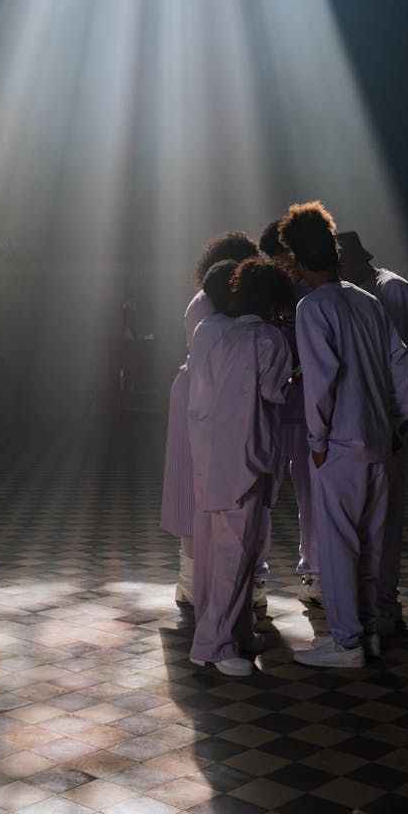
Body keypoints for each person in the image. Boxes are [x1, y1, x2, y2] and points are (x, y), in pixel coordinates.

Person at [279, 202, 408, 667]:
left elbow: (321, 380)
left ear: (297, 258)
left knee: (338, 544)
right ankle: (369, 625)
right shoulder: (368, 300)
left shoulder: (312, 306)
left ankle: (346, 642)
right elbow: (399, 364)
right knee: (373, 539)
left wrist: (317, 443)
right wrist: (398, 422)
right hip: (380, 439)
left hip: (339, 444)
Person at [188, 257, 294, 676]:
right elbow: (273, 391)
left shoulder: (221, 336)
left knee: (225, 552)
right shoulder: (271, 339)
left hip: (217, 454)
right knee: (237, 555)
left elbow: (206, 395)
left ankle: (236, 633)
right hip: (248, 456)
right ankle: (212, 645)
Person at [160, 232, 258, 605]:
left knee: (202, 485)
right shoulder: (207, 305)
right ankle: (191, 577)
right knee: (193, 484)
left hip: (202, 390)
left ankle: (194, 577)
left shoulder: (213, 301)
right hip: (200, 394)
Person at [337, 230, 408, 634]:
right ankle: (367, 602)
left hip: (389, 422)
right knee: (366, 517)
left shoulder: (392, 290)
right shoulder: (356, 294)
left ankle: (385, 600)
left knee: (385, 518)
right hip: (365, 422)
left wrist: (399, 422)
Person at [258, 220, 321, 608]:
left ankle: (314, 573)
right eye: (274, 261)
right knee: (262, 493)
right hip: (271, 410)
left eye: (286, 259)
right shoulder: (262, 296)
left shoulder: (315, 293)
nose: (284, 268)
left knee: (312, 496)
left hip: (311, 410)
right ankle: (254, 575)